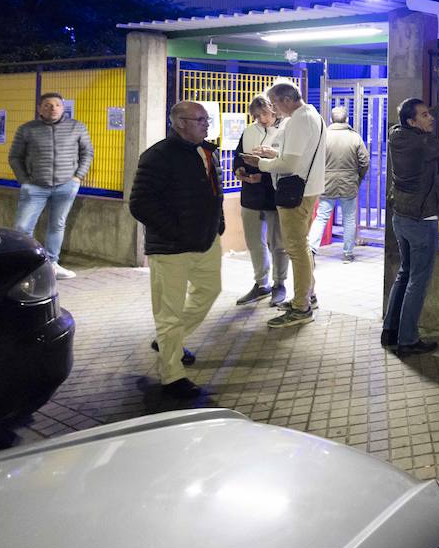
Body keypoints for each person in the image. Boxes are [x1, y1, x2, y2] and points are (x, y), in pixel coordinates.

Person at [128, 101, 225, 399]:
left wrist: (218, 223)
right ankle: (172, 375)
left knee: (209, 290)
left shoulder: (207, 152)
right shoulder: (157, 156)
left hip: (206, 240)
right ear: (180, 123)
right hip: (171, 247)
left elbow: (213, 192)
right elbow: (140, 203)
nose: (206, 124)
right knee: (168, 311)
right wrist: (177, 231)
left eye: (206, 119)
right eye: (199, 119)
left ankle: (170, 340)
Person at [383, 83, 439, 356]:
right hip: (421, 219)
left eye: (429, 114)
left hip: (401, 217)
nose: (430, 118)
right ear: (412, 122)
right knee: (418, 280)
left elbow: (420, 119)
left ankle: (390, 331)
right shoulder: (422, 144)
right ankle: (407, 340)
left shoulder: (397, 133)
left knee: (404, 274)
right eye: (425, 116)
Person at [248, 82, 325, 328]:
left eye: (275, 103)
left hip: (296, 193)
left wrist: (260, 162)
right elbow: (297, 157)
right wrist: (273, 154)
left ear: (287, 99)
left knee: (296, 249)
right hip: (309, 190)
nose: (274, 108)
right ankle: (307, 296)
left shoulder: (300, 120)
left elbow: (290, 166)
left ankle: (301, 306)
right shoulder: (313, 114)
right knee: (300, 247)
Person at [8, 92, 93, 279]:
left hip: (66, 185)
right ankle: (24, 264)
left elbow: (87, 153)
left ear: (63, 108)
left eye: (57, 105)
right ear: (39, 108)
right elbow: (14, 157)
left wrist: (78, 177)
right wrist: (24, 181)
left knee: (57, 225)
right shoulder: (27, 129)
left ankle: (52, 264)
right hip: (35, 187)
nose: (52, 108)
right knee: (22, 227)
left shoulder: (77, 127)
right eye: (47, 105)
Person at [233, 95, 288, 306]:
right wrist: (239, 169)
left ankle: (279, 283)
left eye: (264, 114)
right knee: (254, 243)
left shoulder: (284, 131)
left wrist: (262, 176)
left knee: (279, 244)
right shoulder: (249, 131)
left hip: (274, 196)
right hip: (250, 195)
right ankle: (260, 283)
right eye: (256, 116)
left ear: (274, 110)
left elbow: (287, 164)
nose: (261, 119)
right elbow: (238, 155)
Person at [309, 105, 371, 261]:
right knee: (349, 218)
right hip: (349, 182)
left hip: (326, 182)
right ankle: (348, 253)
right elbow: (365, 161)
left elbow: (314, 160)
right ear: (347, 119)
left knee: (321, 216)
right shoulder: (355, 137)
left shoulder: (323, 137)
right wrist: (358, 177)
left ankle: (311, 250)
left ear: (331, 119)